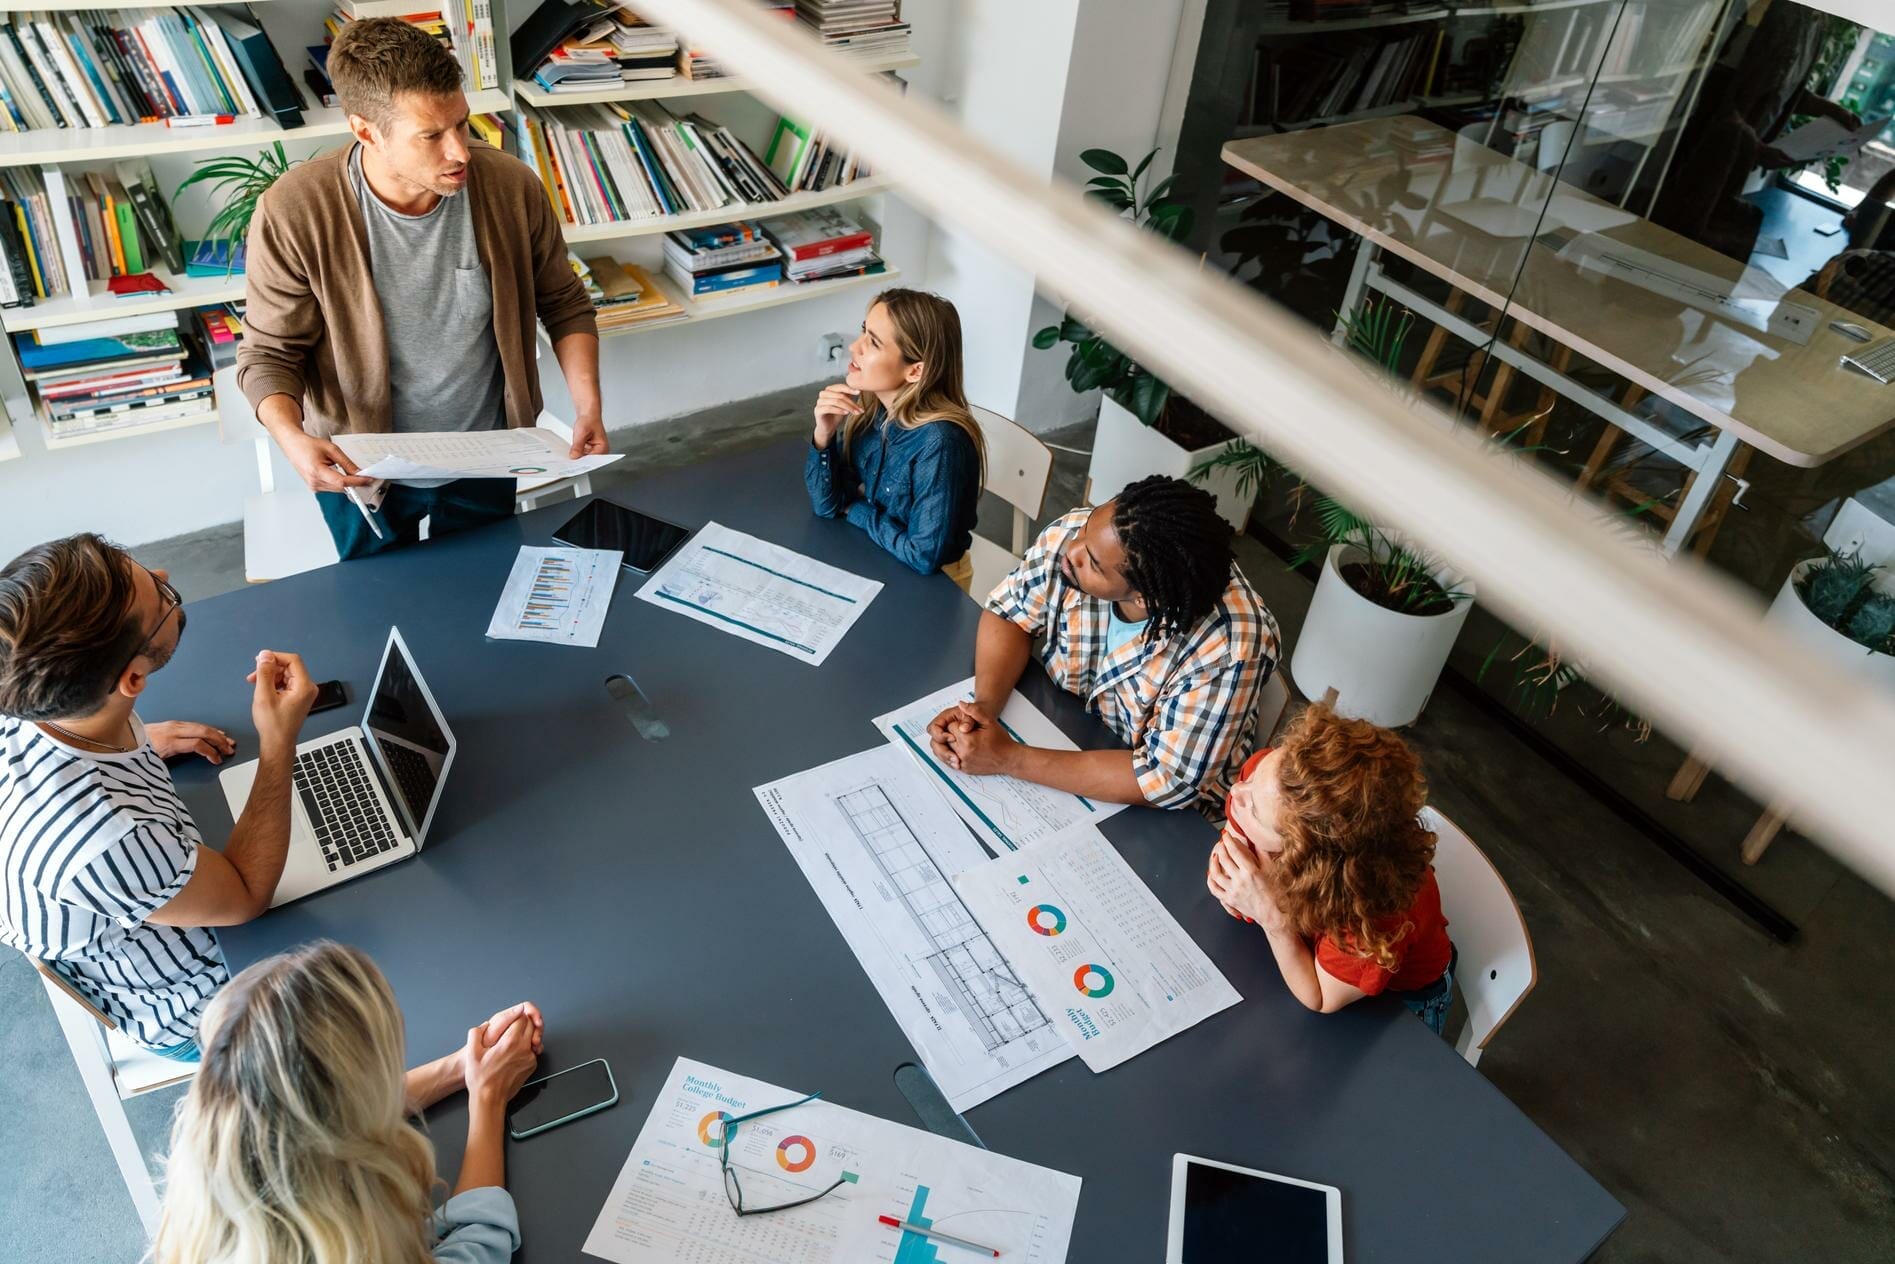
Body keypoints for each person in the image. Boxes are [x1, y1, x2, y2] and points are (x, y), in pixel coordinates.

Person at [237, 16, 603, 560]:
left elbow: (564, 303)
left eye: (462, 123)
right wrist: (293, 439)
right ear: (366, 130)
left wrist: (588, 405)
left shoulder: (509, 187)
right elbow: (269, 353)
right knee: (379, 608)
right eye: (431, 135)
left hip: (487, 452)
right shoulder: (295, 210)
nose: (460, 151)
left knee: (486, 581)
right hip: (362, 464)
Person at [0, 535, 317, 1057]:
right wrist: (278, 742)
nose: (167, 576)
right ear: (132, 679)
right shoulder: (104, 840)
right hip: (209, 1002)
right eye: (161, 597)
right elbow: (244, 897)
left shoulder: (44, 700)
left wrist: (141, 736)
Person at [152, 941, 545, 1264]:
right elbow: (479, 1245)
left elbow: (328, 1107)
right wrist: (488, 1098)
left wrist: (463, 1067)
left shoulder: (211, 1153)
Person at [927, 475, 1280, 810]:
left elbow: (1164, 779)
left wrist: (1007, 757)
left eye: (1093, 564)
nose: (1073, 550)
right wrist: (985, 708)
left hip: (1156, 812)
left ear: (1144, 599)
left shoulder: (1232, 646)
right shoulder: (1091, 539)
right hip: (1066, 728)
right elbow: (1010, 614)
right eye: (1087, 528)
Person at [1206, 704, 1456, 1033]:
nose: (1236, 792)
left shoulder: (1375, 920)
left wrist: (1273, 918)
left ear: (1303, 855)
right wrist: (1239, 886)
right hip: (1311, 948)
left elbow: (1321, 997)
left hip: (1398, 1003)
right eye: (1253, 780)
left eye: (1253, 809)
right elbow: (1234, 869)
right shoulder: (1269, 780)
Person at [806, 289, 985, 583]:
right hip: (878, 556)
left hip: (934, 586)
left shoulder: (941, 444)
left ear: (915, 371)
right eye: (863, 331)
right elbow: (827, 505)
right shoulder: (872, 411)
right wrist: (823, 436)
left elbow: (924, 556)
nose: (854, 347)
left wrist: (856, 508)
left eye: (873, 342)